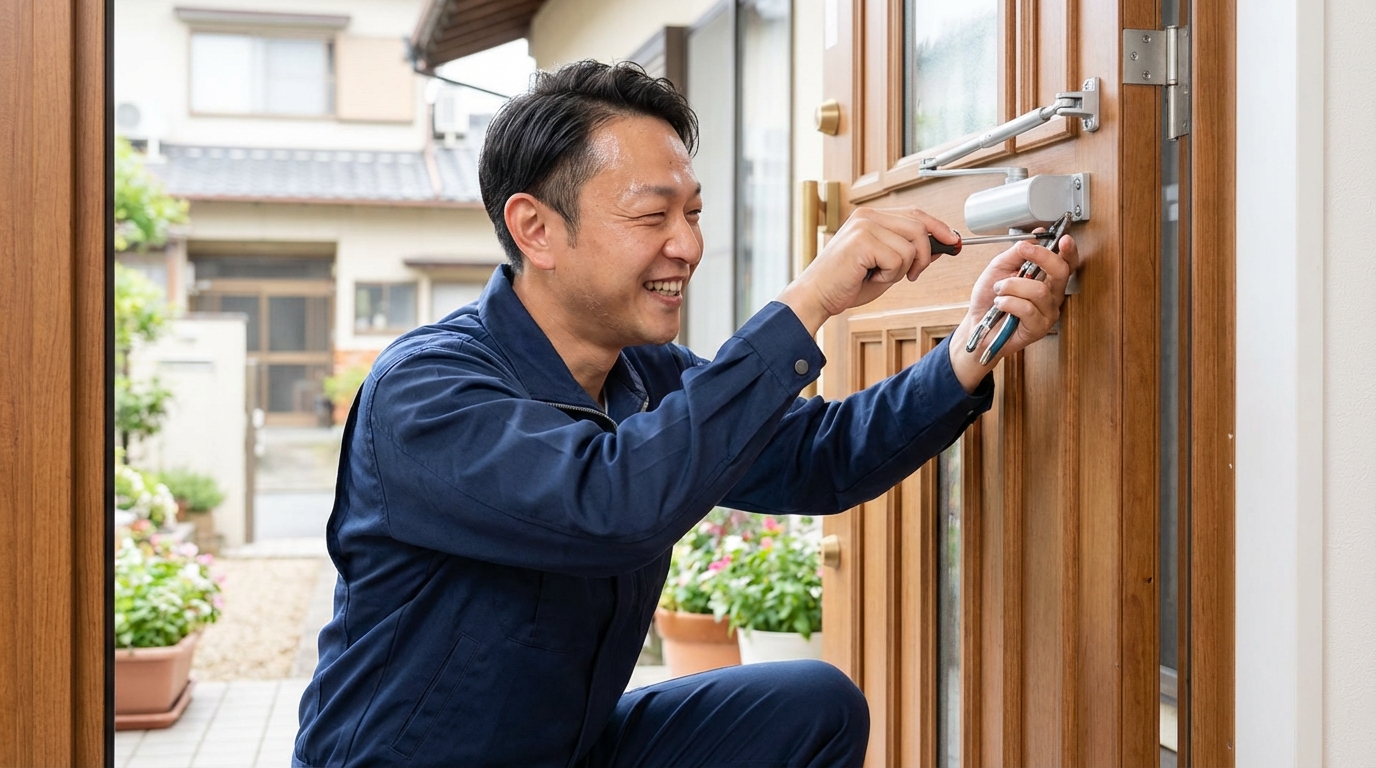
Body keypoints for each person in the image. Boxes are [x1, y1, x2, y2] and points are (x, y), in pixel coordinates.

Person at [293, 60, 1078, 768]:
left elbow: (819, 456)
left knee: (811, 707)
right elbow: (610, 506)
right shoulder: (426, 391)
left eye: (694, 214)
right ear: (536, 229)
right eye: (653, 216)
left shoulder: (643, 372)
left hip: (573, 748)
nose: (688, 246)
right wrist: (811, 299)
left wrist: (975, 345)